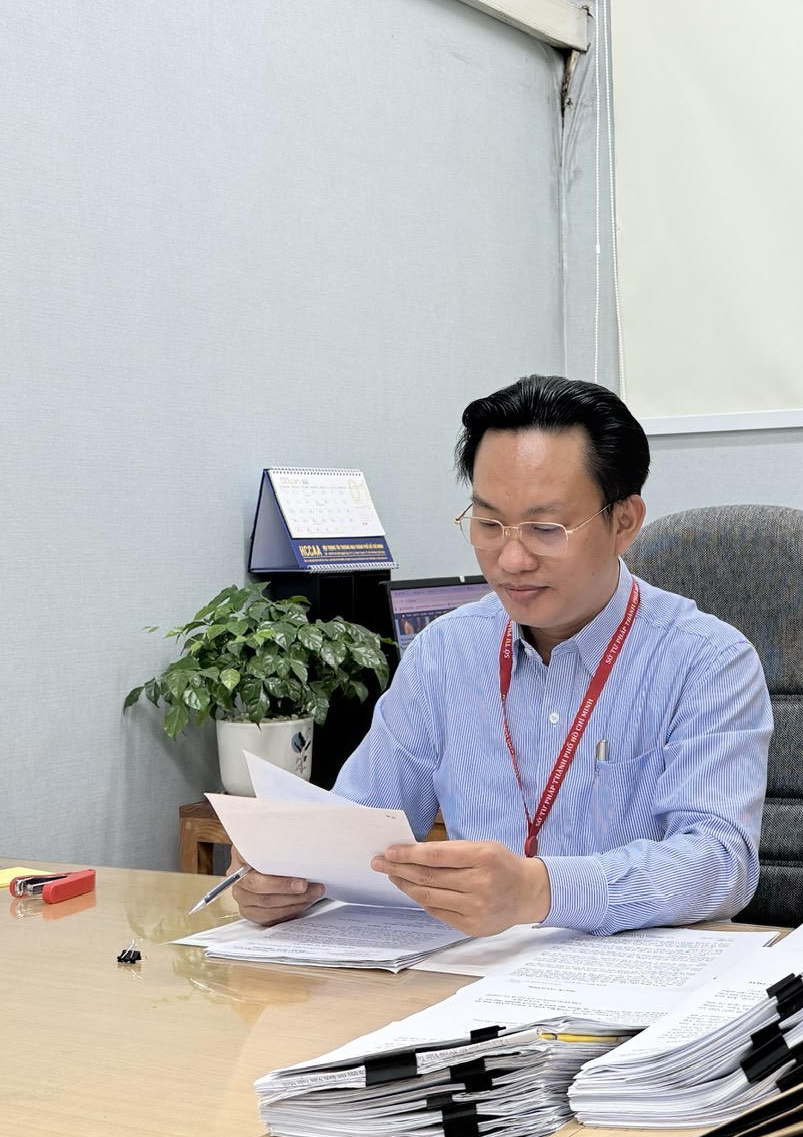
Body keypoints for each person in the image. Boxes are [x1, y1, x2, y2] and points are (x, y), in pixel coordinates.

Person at [233, 375, 772, 939]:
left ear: (624, 522)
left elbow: (720, 862)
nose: (511, 559)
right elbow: (360, 826)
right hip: (473, 971)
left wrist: (539, 890)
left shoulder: (707, 660)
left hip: (637, 973)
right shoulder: (444, 652)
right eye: (489, 524)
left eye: (546, 528)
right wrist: (289, 873)